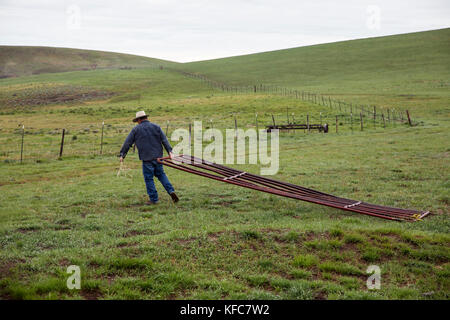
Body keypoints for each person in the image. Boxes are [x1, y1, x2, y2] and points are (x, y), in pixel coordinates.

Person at [119, 111, 179, 205]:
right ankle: (171, 191)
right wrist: (170, 152)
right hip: (159, 157)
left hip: (146, 158)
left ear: (139, 120)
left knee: (149, 179)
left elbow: (128, 142)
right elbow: (164, 140)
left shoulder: (136, 129)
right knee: (161, 175)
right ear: (146, 118)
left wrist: (122, 154)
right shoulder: (156, 127)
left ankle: (154, 199)